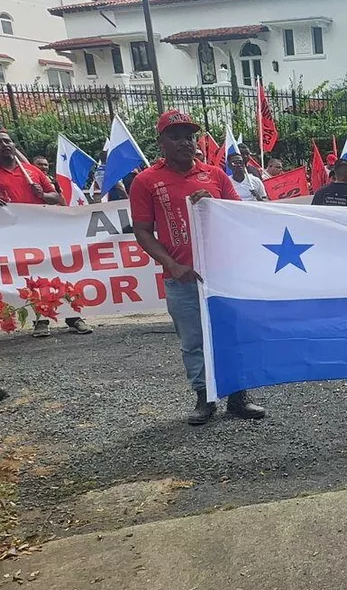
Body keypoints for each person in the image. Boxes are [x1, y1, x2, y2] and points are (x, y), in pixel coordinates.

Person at [131, 110, 264, 425]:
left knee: (231, 335)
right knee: (193, 341)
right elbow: (142, 231)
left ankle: (237, 398)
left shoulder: (215, 175)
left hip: (223, 275)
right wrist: (171, 264)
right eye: (175, 136)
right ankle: (204, 399)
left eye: (189, 136)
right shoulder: (146, 181)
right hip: (183, 279)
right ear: (161, 141)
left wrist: (215, 205)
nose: (184, 143)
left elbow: (238, 216)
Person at [0, 130, 94, 337]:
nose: (5, 145)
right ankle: (40, 320)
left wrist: (43, 194)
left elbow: (56, 197)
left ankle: (73, 317)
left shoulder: (31, 171)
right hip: (11, 236)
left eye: (8, 141)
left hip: (43, 234)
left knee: (57, 274)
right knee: (29, 278)